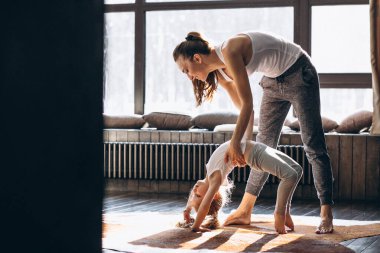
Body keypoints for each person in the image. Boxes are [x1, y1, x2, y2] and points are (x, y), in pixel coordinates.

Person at [173, 31, 334, 234]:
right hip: (272, 81)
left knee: (313, 145)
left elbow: (248, 105)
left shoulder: (229, 50)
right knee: (262, 144)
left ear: (197, 58)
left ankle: (326, 213)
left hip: (299, 71)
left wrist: (234, 143)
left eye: (186, 70)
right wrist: (242, 145)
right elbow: (244, 111)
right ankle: (245, 209)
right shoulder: (221, 74)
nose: (189, 76)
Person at [181, 113, 303, 234]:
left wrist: (187, 210)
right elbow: (205, 205)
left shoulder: (209, 173)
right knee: (290, 175)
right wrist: (196, 226)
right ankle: (280, 212)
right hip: (255, 155)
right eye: (198, 196)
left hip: (256, 147)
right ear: (213, 196)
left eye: (193, 194)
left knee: (297, 169)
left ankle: (285, 209)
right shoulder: (216, 179)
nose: (194, 190)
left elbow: (196, 197)